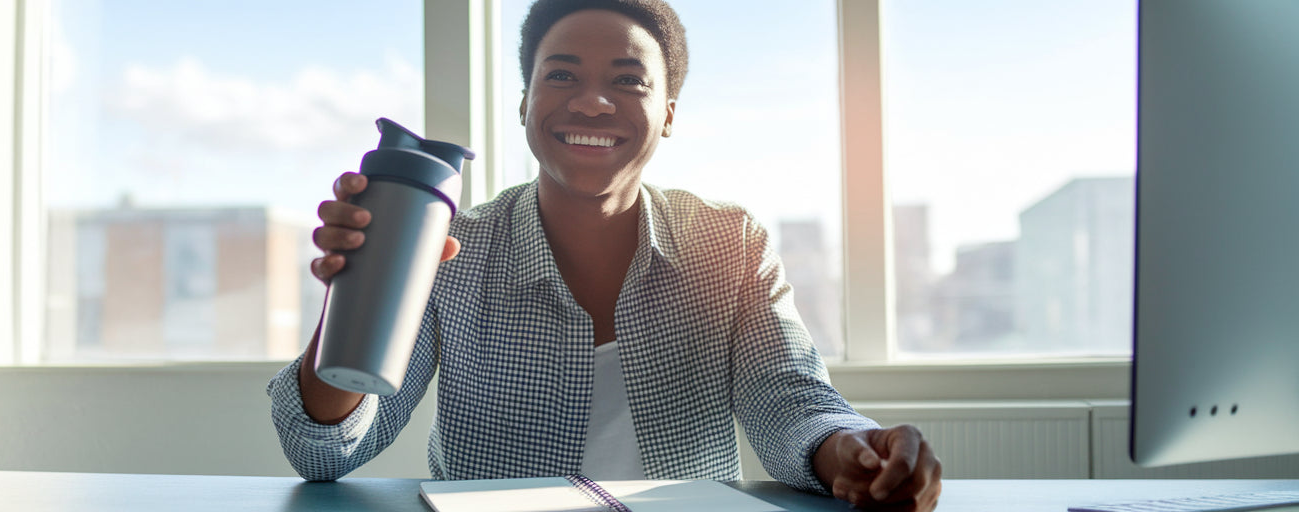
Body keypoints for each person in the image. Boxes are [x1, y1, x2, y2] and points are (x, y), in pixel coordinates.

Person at [267, 0, 942, 509]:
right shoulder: (452, 251)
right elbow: (320, 452)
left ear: (669, 113)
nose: (591, 103)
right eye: (561, 75)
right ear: (525, 103)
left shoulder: (729, 242)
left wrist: (854, 452)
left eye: (628, 81)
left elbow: (789, 400)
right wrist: (353, 294)